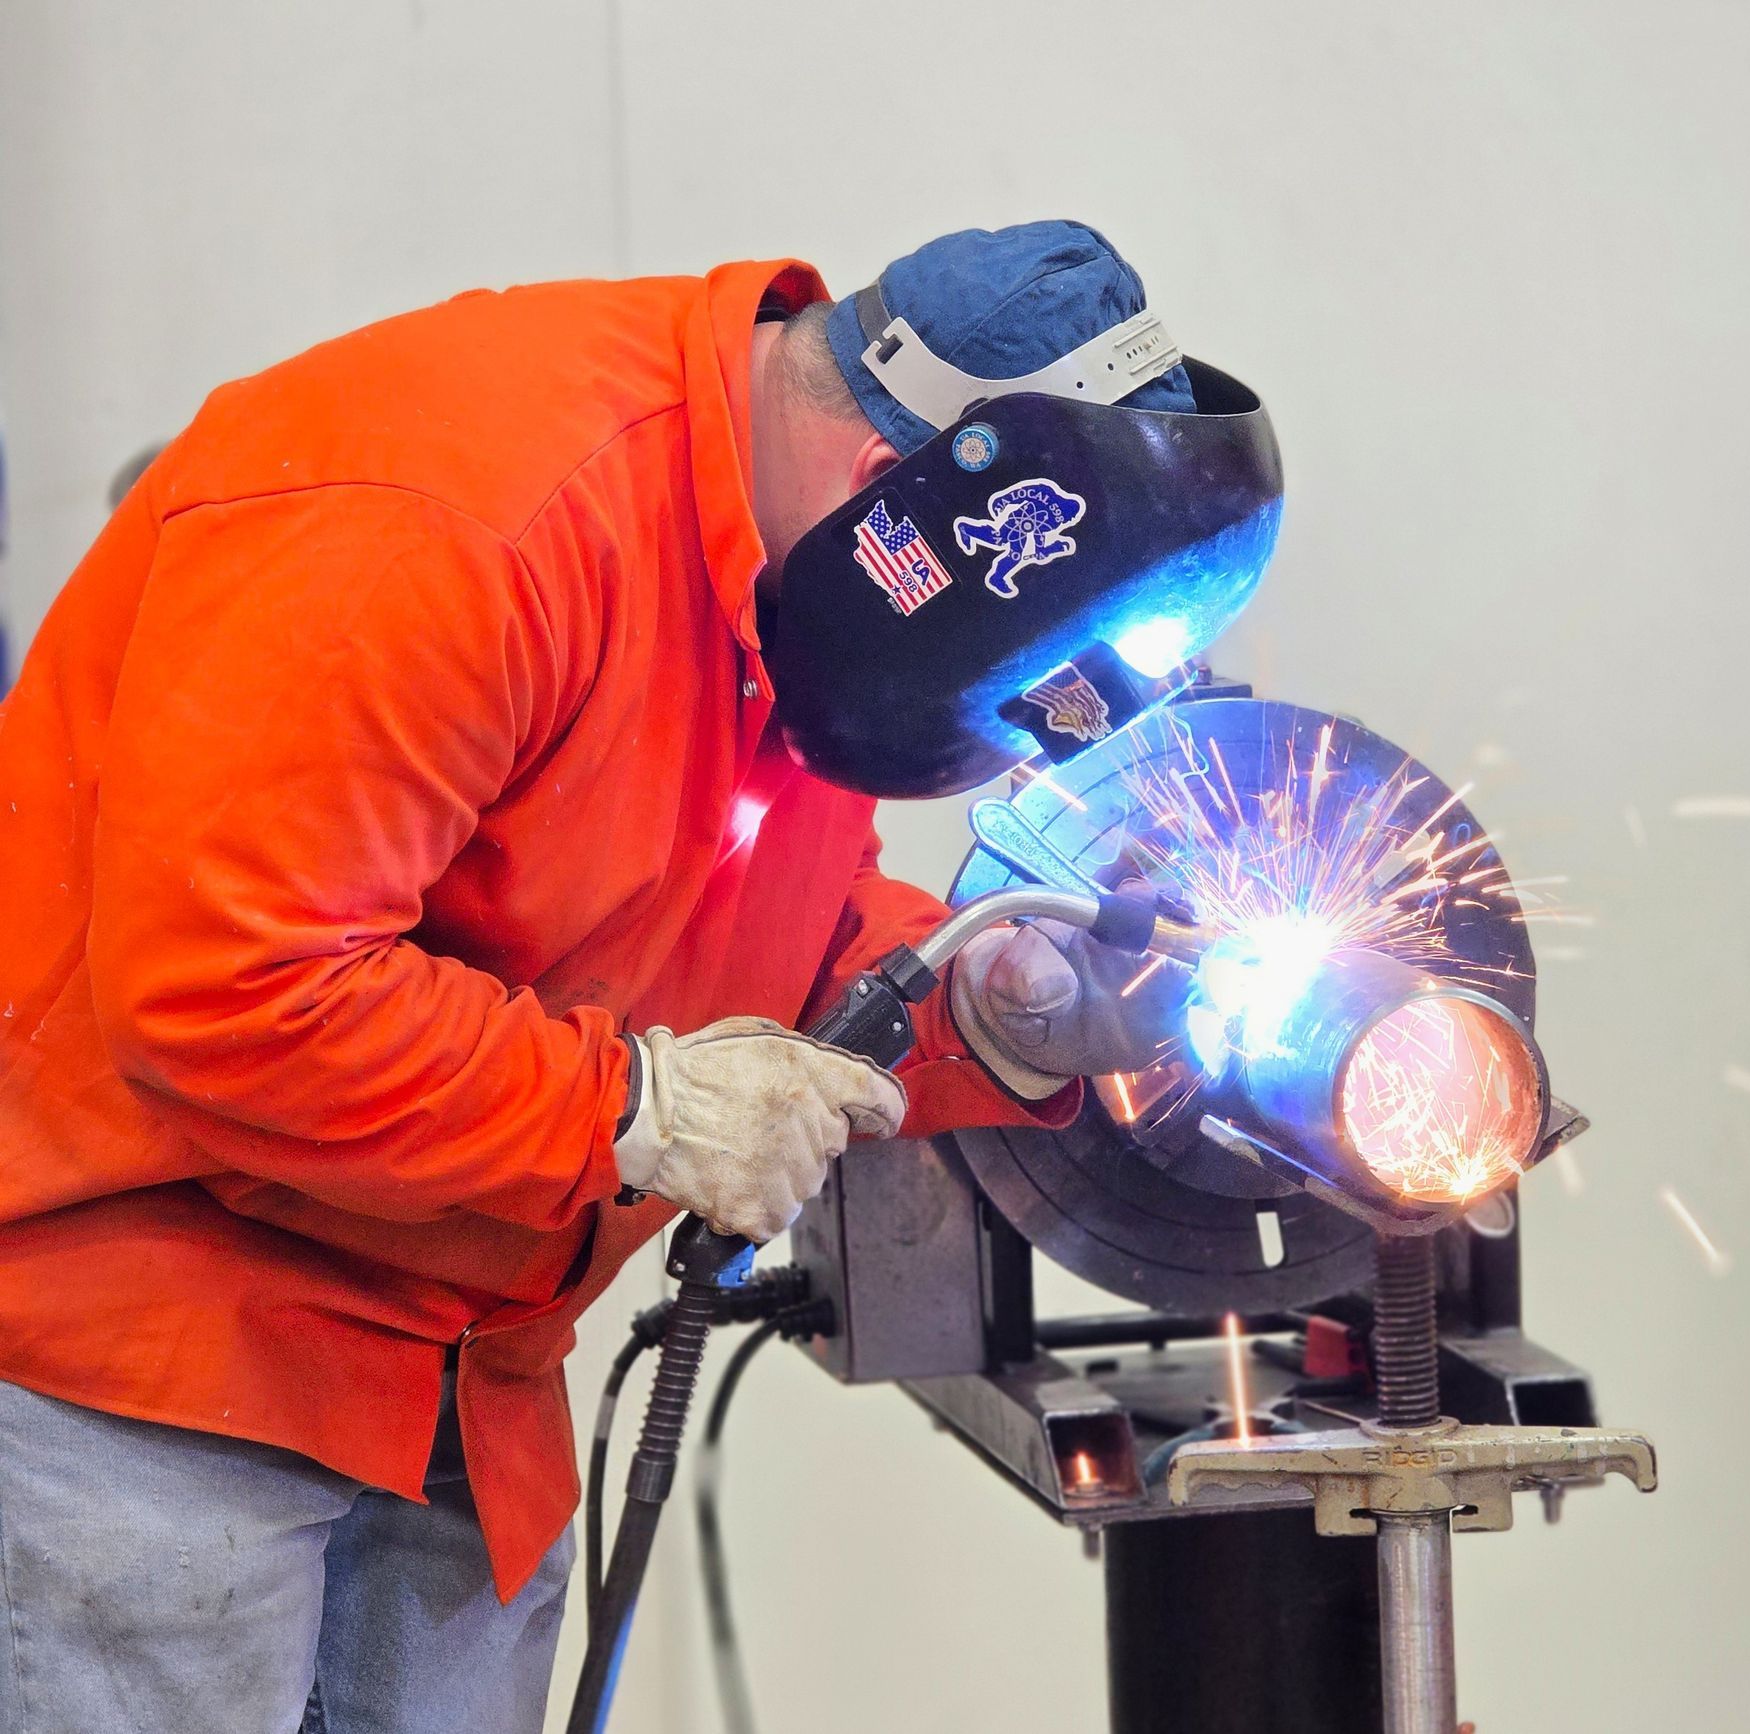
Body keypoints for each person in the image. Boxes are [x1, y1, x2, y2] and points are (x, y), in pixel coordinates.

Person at [0, 220, 1272, 1733]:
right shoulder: (468, 511)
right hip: (145, 1379)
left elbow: (735, 906)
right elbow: (229, 982)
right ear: (899, 511)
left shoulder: (790, 589)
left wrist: (996, 1001)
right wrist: (632, 1104)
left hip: (463, 1380)